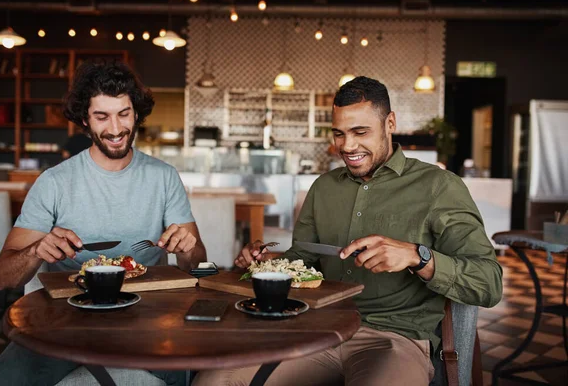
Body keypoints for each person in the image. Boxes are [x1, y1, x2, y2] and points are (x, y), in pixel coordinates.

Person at [193, 77, 503, 386]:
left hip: (394, 340)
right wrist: (264, 265)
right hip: (316, 330)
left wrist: (417, 257)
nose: (347, 146)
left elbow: (488, 284)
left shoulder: (439, 187)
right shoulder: (324, 188)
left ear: (390, 122)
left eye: (360, 132)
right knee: (213, 381)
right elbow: (303, 261)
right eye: (339, 134)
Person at [0, 61, 206, 386]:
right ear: (85, 120)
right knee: (5, 382)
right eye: (102, 116)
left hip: (147, 318)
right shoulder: (54, 182)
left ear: (137, 114)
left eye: (124, 113)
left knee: (186, 373)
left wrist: (188, 251)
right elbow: (1, 279)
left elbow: (198, 265)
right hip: (66, 319)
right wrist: (36, 250)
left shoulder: (164, 177)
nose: (116, 128)